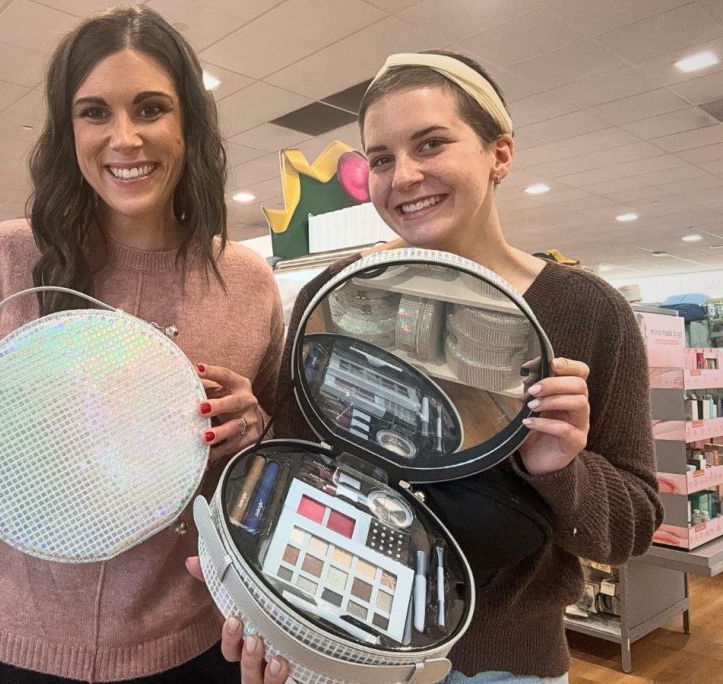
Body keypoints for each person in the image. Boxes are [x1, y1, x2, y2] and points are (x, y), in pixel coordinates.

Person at [192, 50, 662, 684]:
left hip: (504, 664)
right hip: (342, 647)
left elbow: (630, 528)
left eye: (431, 144)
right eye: (381, 159)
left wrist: (561, 469)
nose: (403, 175)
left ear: (500, 154)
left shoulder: (584, 310)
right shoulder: (334, 296)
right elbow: (299, 459)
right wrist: (255, 434)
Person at [0, 7, 285, 683]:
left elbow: (280, 463)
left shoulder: (245, 282)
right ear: (67, 128)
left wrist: (255, 427)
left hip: (180, 644)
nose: (125, 138)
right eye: (95, 112)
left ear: (188, 123)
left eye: (151, 108)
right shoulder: (5, 259)